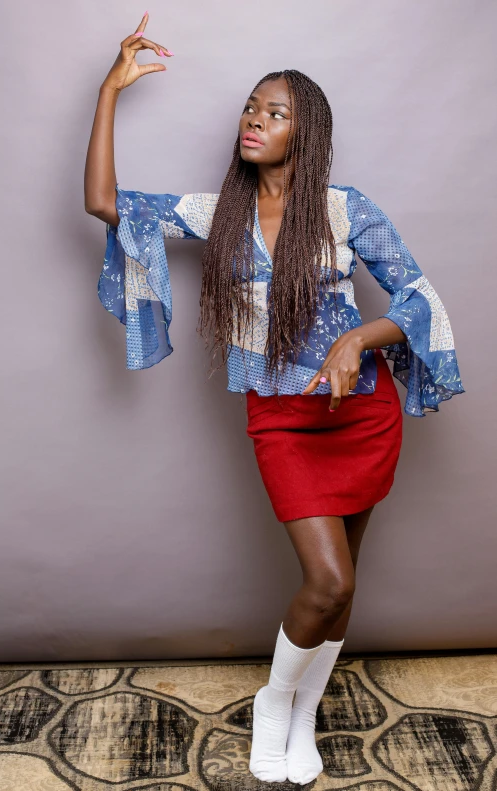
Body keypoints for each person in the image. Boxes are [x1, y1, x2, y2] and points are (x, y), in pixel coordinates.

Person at [84, 12, 465, 786]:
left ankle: (300, 718)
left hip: (360, 412)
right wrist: (107, 94)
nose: (255, 120)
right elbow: (104, 205)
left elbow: (419, 296)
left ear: (306, 132)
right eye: (251, 108)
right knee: (325, 582)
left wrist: (357, 340)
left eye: (275, 112)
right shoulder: (216, 214)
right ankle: (272, 704)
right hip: (282, 420)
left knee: (342, 588)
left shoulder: (344, 207)